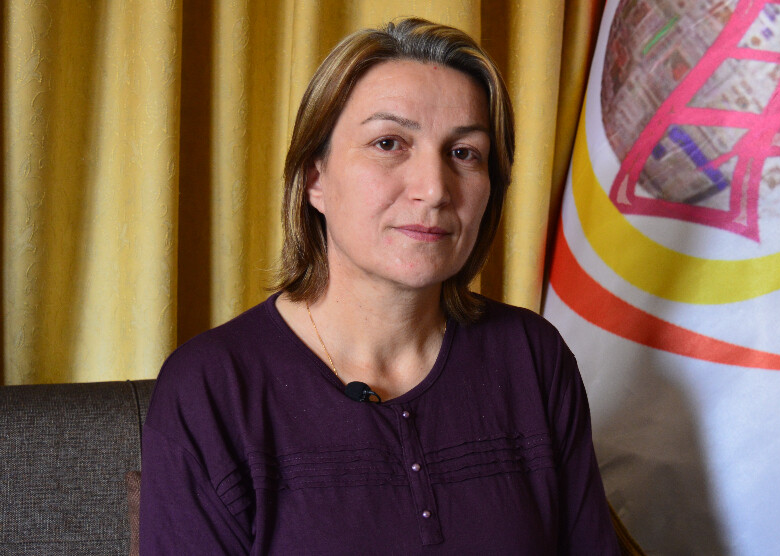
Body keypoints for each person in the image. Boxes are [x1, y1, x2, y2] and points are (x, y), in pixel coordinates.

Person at [139, 18, 620, 554]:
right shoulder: (210, 389)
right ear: (315, 179)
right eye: (389, 143)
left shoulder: (533, 356)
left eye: (465, 153)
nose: (434, 189)